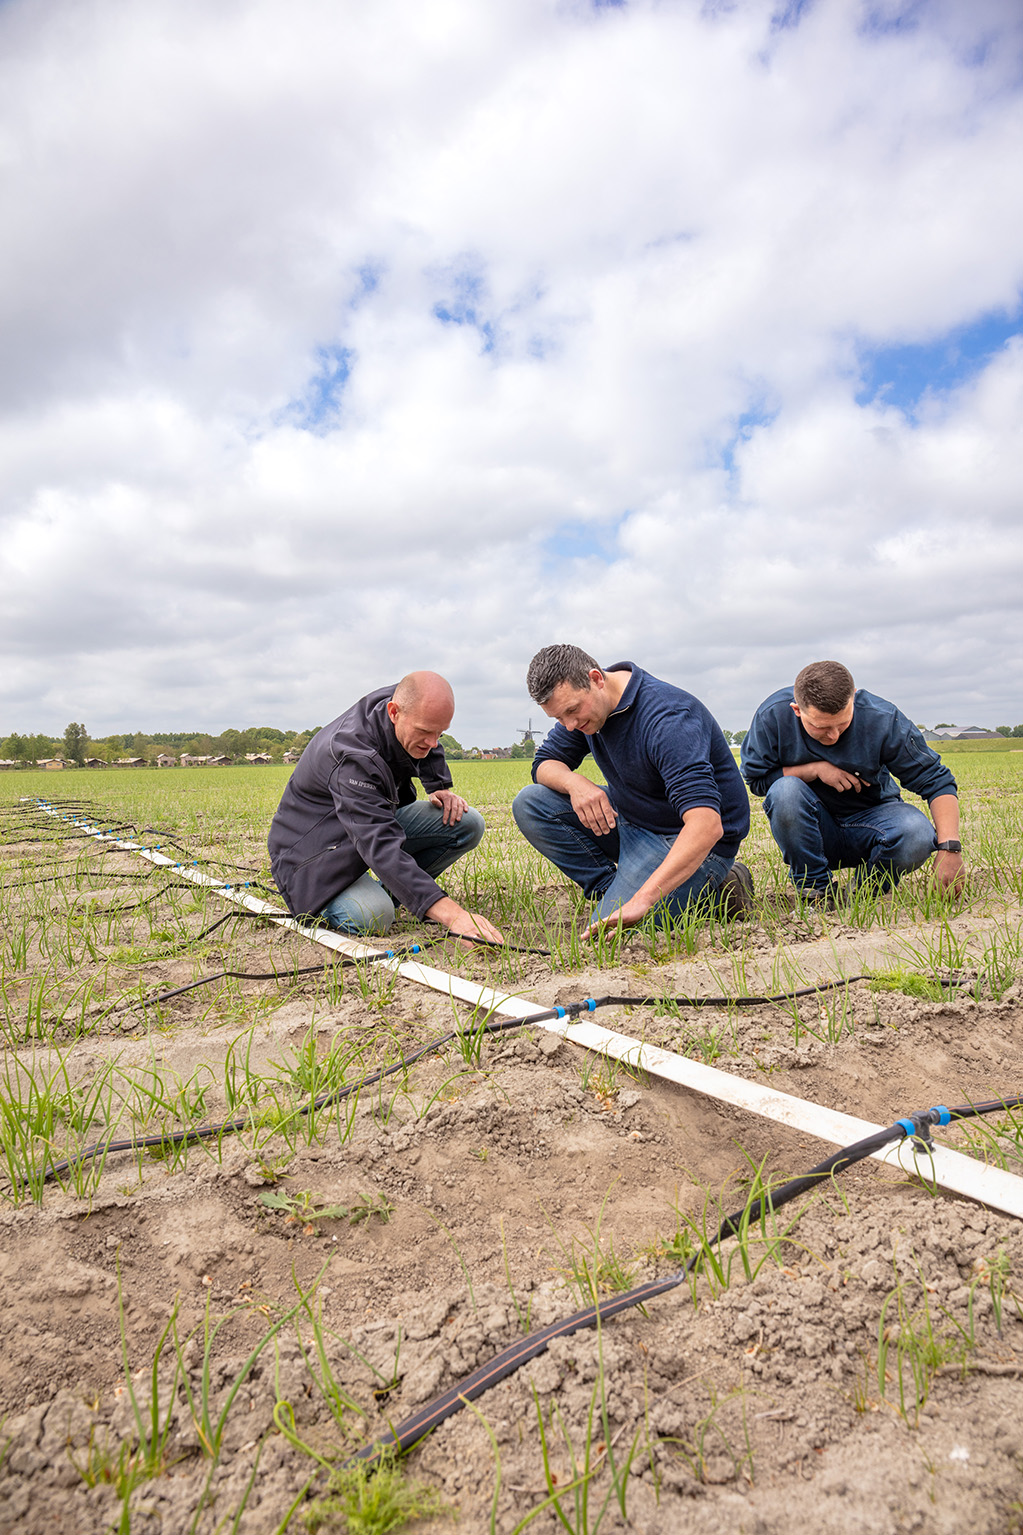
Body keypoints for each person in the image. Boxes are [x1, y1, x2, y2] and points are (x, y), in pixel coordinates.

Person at [512, 645, 752, 933]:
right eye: (559, 718)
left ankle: (717, 894)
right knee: (532, 803)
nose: (570, 725)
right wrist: (575, 783)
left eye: (573, 711)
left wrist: (644, 899)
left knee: (611, 937)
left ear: (596, 678)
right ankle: (612, 890)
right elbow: (543, 764)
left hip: (687, 839)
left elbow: (706, 825)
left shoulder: (668, 719)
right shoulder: (586, 711)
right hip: (632, 817)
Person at [268, 671, 503, 943]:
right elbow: (379, 844)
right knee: (375, 916)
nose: (433, 742)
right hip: (314, 853)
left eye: (440, 733)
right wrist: (454, 916)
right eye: (425, 732)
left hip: (365, 822)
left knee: (466, 823)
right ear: (394, 713)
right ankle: (355, 899)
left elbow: (429, 737)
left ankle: (399, 891)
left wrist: (438, 785)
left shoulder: (404, 704)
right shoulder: (352, 757)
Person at [741, 660, 963, 903]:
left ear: (854, 698)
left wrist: (950, 849)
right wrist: (814, 770)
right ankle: (816, 894)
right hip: (812, 831)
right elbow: (758, 781)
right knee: (784, 792)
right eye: (821, 727)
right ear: (797, 710)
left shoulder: (882, 719)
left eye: (843, 723)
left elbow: (936, 780)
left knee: (916, 832)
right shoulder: (771, 717)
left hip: (873, 823)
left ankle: (862, 893)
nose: (834, 736)